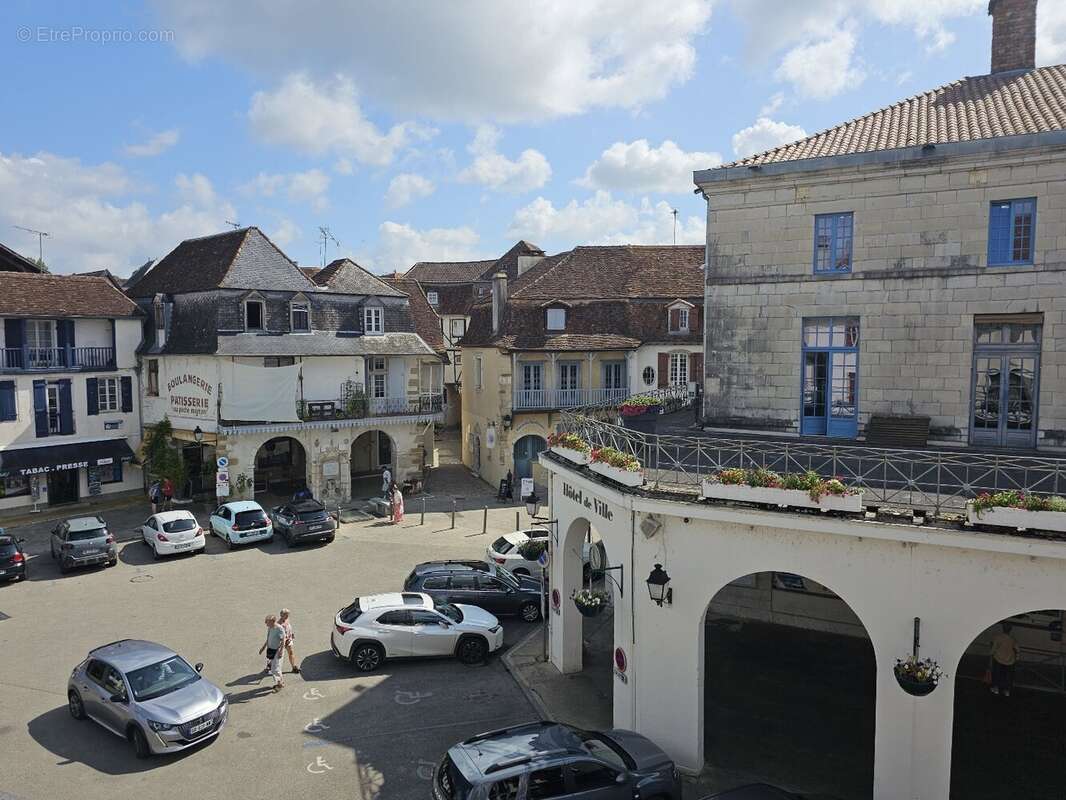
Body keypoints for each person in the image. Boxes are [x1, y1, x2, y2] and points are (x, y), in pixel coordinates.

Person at [990, 622, 1020, 696]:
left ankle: (996, 688)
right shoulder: (1013, 639)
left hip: (998, 658)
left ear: (1003, 628)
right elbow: (1017, 650)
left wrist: (990, 654)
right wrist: (1017, 658)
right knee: (1008, 676)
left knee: (996, 674)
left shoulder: (998, 637)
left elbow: (993, 648)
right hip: (1010, 660)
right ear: (1010, 630)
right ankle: (1007, 691)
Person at [259, 615, 285, 691]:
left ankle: (280, 684)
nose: (265, 623)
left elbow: (283, 640)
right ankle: (279, 683)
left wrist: (281, 651)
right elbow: (268, 638)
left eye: (267, 622)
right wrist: (263, 647)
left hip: (277, 651)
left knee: (275, 669)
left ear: (273, 621)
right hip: (271, 650)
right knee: (274, 668)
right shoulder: (270, 628)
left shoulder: (279, 628)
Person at [278, 608, 300, 674]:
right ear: (281, 615)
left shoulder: (287, 620)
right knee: (278, 655)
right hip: (281, 642)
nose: (287, 616)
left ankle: (294, 667)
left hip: (288, 640)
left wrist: (291, 634)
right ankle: (270, 665)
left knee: (291, 652)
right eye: (286, 615)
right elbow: (279, 635)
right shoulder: (279, 624)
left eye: (288, 615)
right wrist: (284, 641)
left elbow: (288, 628)